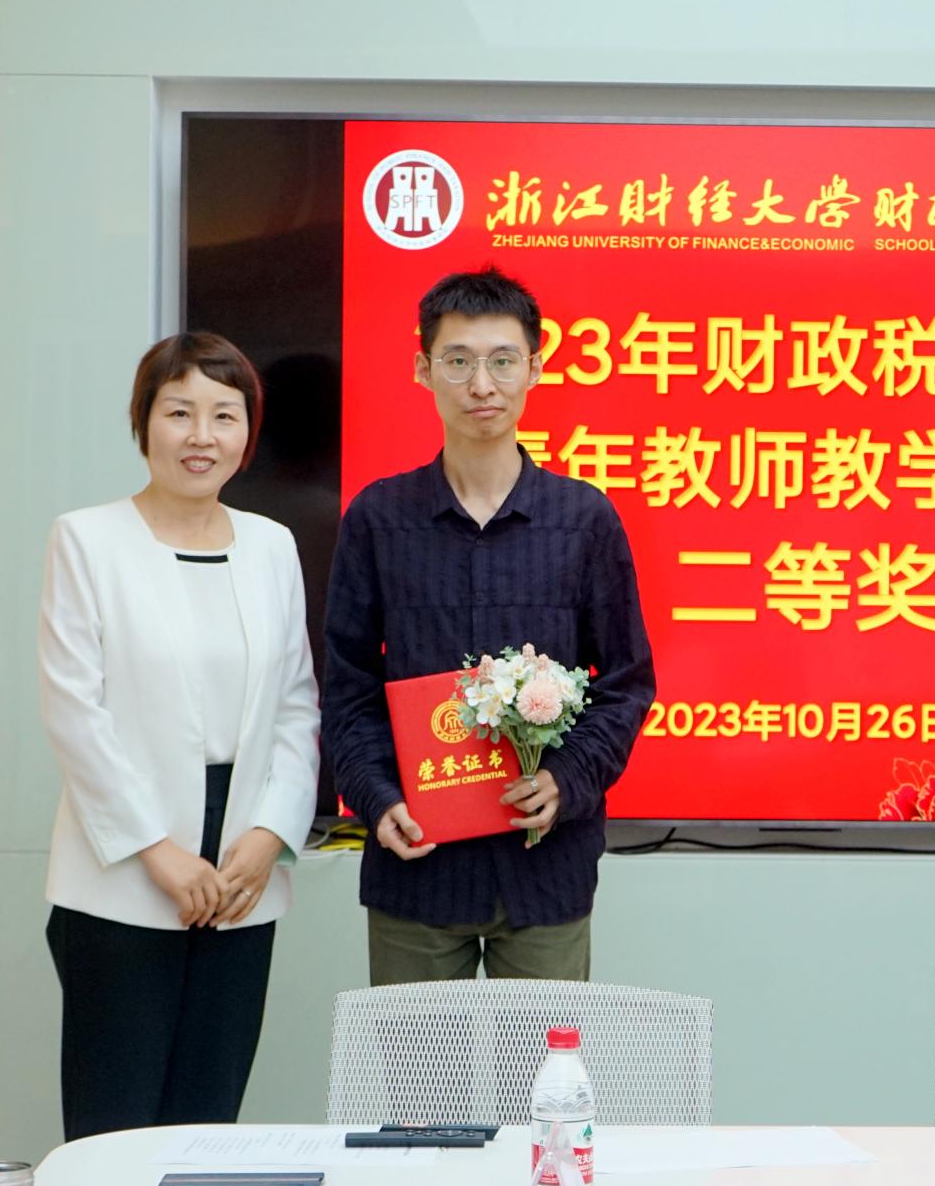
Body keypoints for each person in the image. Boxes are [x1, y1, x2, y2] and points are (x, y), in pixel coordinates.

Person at [324, 266, 654, 986]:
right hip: (417, 864)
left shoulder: (584, 519)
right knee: (415, 1063)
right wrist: (378, 797)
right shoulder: (378, 519)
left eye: (503, 361)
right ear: (423, 369)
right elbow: (346, 686)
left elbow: (627, 683)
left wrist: (566, 780)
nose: (482, 385)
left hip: (545, 866)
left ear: (536, 367)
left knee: (541, 1061)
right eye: (458, 360)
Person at [39, 333, 320, 1140]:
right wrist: (155, 850)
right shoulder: (87, 539)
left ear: (248, 432)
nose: (202, 436)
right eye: (179, 412)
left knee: (208, 1119)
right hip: (126, 862)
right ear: (143, 422)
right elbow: (74, 711)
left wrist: (270, 835)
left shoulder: (271, 545)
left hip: (240, 870)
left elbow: (298, 703)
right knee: (115, 1123)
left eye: (224, 415)